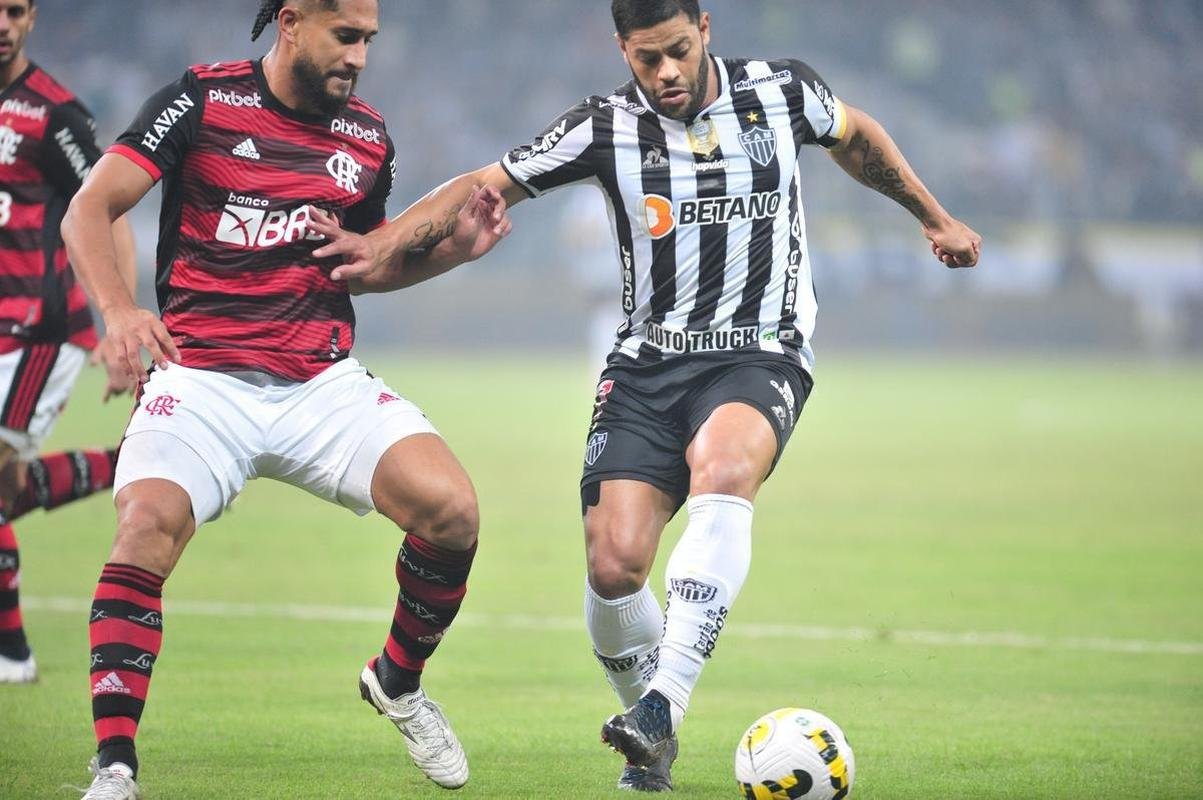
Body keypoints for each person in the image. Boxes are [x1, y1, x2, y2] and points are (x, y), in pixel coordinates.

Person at [311, 0, 981, 792]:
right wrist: (382, 241)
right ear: (621, 50)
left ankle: (662, 704)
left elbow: (856, 135)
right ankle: (651, 744)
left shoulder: (780, 91)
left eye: (676, 51)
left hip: (758, 350)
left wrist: (934, 218)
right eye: (644, 59)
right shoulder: (601, 127)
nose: (664, 72)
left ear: (705, 30)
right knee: (614, 564)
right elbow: (482, 184)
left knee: (723, 467)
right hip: (645, 366)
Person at [59, 1, 509, 797]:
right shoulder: (201, 101)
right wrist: (120, 311)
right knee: (144, 530)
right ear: (291, 22)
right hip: (200, 377)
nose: (360, 56)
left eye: (368, 40)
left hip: (318, 382)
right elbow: (89, 207)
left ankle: (396, 682)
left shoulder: (366, 138)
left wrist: (455, 255)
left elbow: (363, 264)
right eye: (346, 37)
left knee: (454, 513)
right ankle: (115, 768)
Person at [0, 0, 138, 684]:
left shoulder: (54, 114)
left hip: (41, 330)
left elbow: (107, 210)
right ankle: (126, 464)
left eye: (13, 10)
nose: (2, 25)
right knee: (6, 492)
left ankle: (11, 653)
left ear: (32, 18)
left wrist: (121, 321)